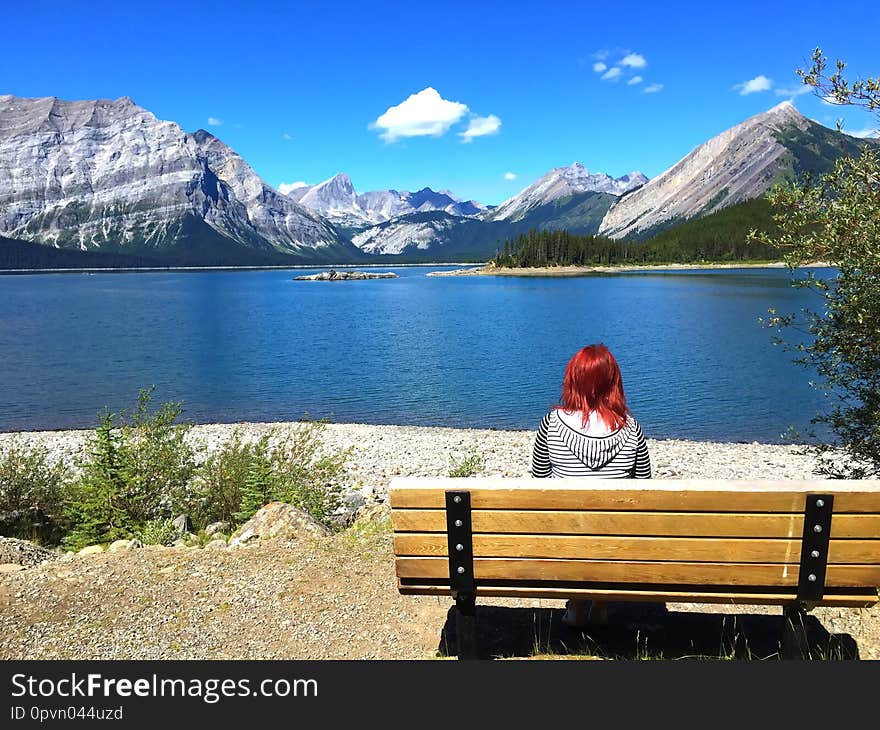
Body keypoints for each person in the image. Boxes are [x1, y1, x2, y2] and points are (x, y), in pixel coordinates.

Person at [530, 343, 652, 626]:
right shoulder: (632, 429)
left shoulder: (551, 424)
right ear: (613, 383)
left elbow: (538, 486)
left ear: (573, 380)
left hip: (565, 542)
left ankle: (576, 605)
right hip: (615, 544)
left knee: (571, 521)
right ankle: (599, 602)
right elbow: (644, 490)